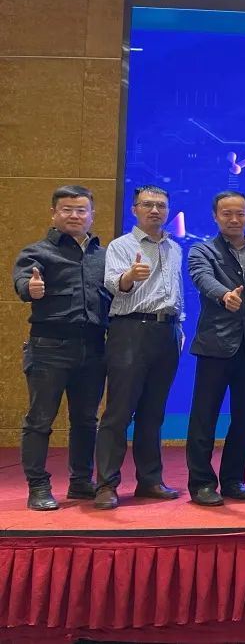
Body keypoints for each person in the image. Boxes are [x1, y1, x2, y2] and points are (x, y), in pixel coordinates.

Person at [13, 185, 110, 511]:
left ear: (91, 215)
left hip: (94, 348)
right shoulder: (36, 253)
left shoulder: (103, 255)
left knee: (86, 420)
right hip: (49, 347)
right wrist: (30, 288)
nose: (74, 215)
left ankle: (81, 481)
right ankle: (38, 486)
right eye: (67, 209)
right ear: (54, 213)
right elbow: (23, 283)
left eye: (81, 210)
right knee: (40, 421)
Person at [94, 185, 185, 510]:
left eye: (161, 205)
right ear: (135, 209)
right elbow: (113, 284)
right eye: (148, 205)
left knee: (153, 413)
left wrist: (179, 326)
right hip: (131, 329)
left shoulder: (174, 248)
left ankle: (149, 480)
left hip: (167, 332)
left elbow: (175, 291)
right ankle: (106, 484)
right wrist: (130, 276)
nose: (155, 210)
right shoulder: (121, 246)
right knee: (119, 412)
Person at [185, 190, 245, 506]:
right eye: (227, 213)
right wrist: (223, 295)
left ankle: (233, 480)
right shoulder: (202, 251)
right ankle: (202, 483)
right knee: (204, 418)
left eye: (240, 213)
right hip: (215, 346)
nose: (234, 219)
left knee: (244, 419)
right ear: (215, 216)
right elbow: (202, 278)